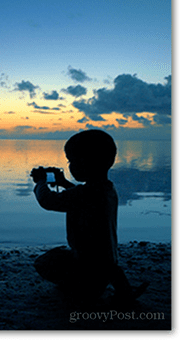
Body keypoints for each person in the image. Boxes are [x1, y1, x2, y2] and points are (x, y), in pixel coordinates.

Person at [30, 129, 148, 303]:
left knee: (43, 263)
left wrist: (40, 182)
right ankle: (124, 292)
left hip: (88, 272)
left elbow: (48, 201)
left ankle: (79, 289)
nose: (70, 165)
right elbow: (80, 197)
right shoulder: (107, 190)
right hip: (107, 267)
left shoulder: (85, 194)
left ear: (84, 162)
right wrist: (63, 183)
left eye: (71, 160)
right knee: (108, 264)